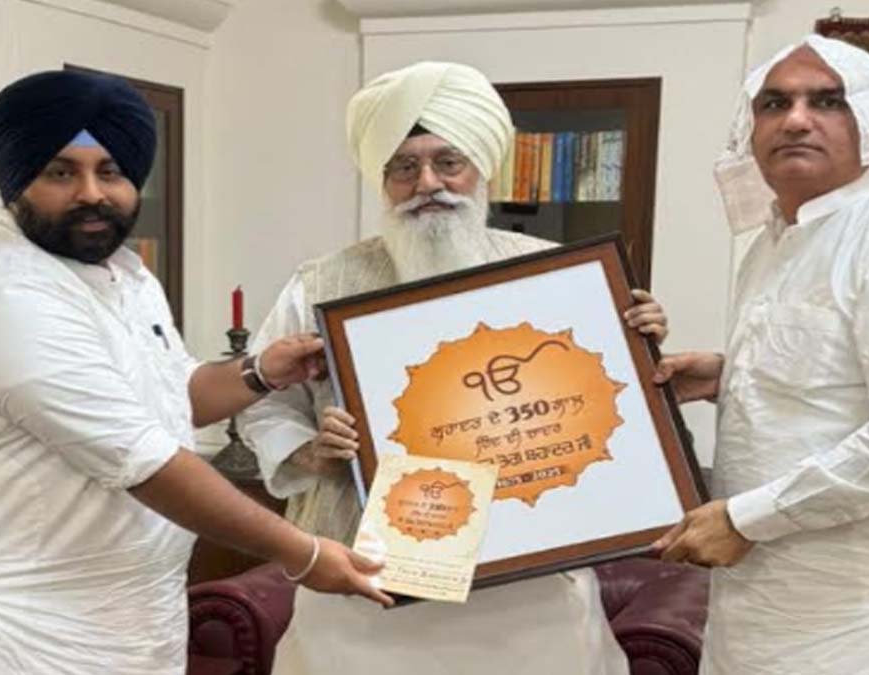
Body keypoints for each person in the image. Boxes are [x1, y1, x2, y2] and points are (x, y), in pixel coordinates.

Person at [0, 70, 389, 675]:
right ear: (16, 180)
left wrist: (262, 372)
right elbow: (146, 462)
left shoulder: (125, 274)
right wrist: (306, 555)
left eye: (109, 172)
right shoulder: (5, 297)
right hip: (5, 629)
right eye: (61, 173)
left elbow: (173, 398)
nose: (91, 193)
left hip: (121, 620)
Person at [237, 61, 668, 675]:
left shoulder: (557, 274)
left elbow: (612, 403)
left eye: (448, 162)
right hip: (366, 600)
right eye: (403, 168)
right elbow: (263, 405)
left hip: (528, 604)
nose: (428, 183)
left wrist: (635, 341)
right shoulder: (320, 285)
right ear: (382, 180)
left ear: (481, 169)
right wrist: (311, 452)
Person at [649, 35, 869, 674]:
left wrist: (748, 518)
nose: (795, 119)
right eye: (774, 103)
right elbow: (836, 383)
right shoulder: (772, 244)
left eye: (827, 101)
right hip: (765, 606)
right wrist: (730, 376)